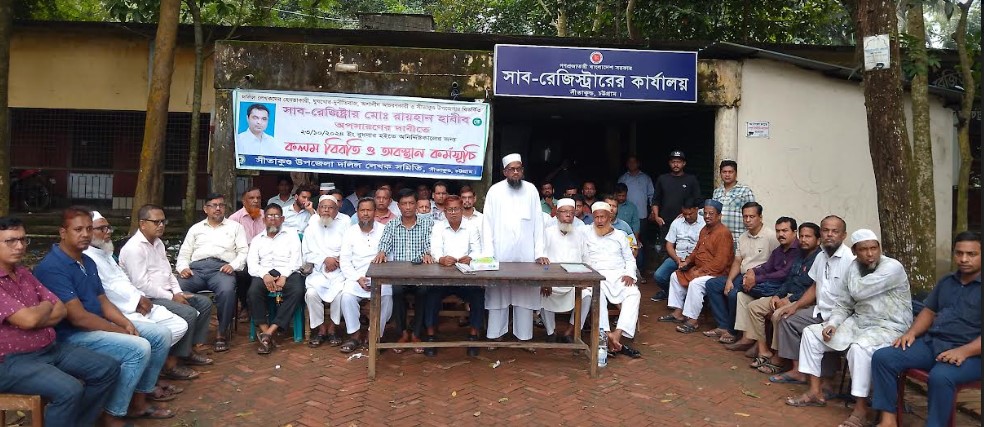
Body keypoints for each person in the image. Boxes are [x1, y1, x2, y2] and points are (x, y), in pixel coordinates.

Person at [35, 207, 175, 425]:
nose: (85, 234)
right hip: (72, 335)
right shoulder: (53, 267)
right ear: (63, 232)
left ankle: (138, 402)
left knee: (160, 335)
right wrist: (120, 331)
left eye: (88, 229)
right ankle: (112, 413)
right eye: (78, 230)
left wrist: (125, 323)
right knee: (138, 348)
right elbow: (79, 318)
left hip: (98, 325)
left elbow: (102, 300)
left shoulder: (87, 261)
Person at [0, 216, 120, 427]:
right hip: (10, 362)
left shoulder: (24, 273)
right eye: (10, 241)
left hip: (49, 349)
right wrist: (44, 307)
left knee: (107, 368)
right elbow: (29, 320)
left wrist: (39, 312)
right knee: (69, 390)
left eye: (23, 240)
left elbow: (61, 309)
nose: (19, 246)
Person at [787, 229, 912, 427]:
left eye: (874, 248)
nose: (870, 254)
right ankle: (814, 392)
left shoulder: (892, 267)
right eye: (864, 249)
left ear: (879, 248)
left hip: (889, 326)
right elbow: (844, 303)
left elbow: (859, 291)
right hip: (860, 322)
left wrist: (852, 272)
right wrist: (833, 323)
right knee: (812, 334)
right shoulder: (854, 267)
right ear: (855, 251)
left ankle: (861, 409)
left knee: (858, 348)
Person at [870, 231, 982, 427]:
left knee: (941, 377)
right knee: (883, 357)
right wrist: (911, 333)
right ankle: (888, 420)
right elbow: (929, 311)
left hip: (972, 355)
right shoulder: (947, 281)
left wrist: (964, 351)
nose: (964, 259)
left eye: (971, 254)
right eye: (959, 253)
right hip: (934, 344)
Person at [117, 205, 216, 378]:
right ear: (142, 224)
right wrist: (171, 296)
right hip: (147, 299)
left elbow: (169, 273)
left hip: (167, 293)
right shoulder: (134, 248)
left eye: (163, 221)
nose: (161, 225)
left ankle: (188, 351)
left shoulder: (158, 243)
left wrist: (178, 292)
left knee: (204, 303)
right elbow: (141, 285)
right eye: (156, 222)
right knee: (188, 312)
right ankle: (170, 364)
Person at [86, 211, 191, 369]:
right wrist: (137, 301)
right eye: (101, 229)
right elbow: (108, 290)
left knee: (179, 325)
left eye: (108, 228)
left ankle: (150, 365)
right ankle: (150, 370)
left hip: (138, 300)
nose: (108, 232)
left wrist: (141, 298)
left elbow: (125, 281)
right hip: (122, 309)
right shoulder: (89, 258)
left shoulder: (106, 253)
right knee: (160, 334)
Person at [767, 215, 855, 386]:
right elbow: (815, 286)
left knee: (825, 333)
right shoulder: (821, 257)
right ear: (821, 234)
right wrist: (795, 306)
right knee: (787, 319)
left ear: (843, 235)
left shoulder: (850, 260)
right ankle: (798, 371)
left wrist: (837, 320)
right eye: (826, 230)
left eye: (835, 231)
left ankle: (828, 380)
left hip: (841, 316)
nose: (829, 234)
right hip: (820, 310)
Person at [481, 153, 546, 346]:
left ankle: (524, 337)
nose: (515, 172)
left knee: (524, 294)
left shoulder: (531, 190)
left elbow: (539, 223)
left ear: (522, 170)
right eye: (512, 169)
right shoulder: (494, 191)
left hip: (526, 255)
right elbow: (487, 224)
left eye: (518, 169)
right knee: (498, 294)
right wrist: (488, 254)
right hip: (500, 253)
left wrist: (540, 253)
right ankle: (495, 335)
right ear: (505, 172)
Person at [741, 222, 822, 375]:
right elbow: (788, 279)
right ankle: (764, 351)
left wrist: (790, 301)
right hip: (786, 295)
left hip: (803, 301)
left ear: (818, 240)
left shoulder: (820, 259)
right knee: (754, 307)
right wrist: (778, 295)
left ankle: (779, 358)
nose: (803, 240)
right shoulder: (799, 255)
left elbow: (812, 289)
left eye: (808, 237)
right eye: (802, 236)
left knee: (779, 315)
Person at [176, 193, 249, 352]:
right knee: (177, 289)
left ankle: (221, 332)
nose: (218, 208)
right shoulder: (195, 229)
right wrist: (183, 268)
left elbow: (244, 251)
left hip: (221, 269)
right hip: (196, 270)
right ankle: (185, 331)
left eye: (221, 205)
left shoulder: (235, 227)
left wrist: (233, 265)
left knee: (227, 291)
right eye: (213, 205)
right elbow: (184, 254)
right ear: (205, 209)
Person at [704, 203, 780, 345]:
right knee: (712, 284)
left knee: (734, 293)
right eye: (745, 217)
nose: (748, 220)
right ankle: (723, 325)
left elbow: (775, 264)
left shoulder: (771, 237)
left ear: (760, 217)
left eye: (752, 216)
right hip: (742, 275)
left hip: (759, 279)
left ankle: (732, 332)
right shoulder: (743, 237)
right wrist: (729, 280)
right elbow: (738, 261)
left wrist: (755, 276)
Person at [373, 188, 436, 353]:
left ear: (416, 205)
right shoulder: (392, 225)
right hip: (399, 274)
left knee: (423, 291)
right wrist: (382, 252)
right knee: (397, 292)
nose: (408, 207)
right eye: (404, 204)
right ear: (398, 206)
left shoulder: (427, 224)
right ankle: (402, 333)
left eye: (411, 203)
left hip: (420, 272)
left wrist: (428, 253)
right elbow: (384, 243)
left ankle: (416, 334)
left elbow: (430, 245)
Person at [660, 199, 733, 334]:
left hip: (717, 273)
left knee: (696, 284)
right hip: (701, 269)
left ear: (719, 216)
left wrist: (700, 272)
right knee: (675, 276)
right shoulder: (704, 229)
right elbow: (697, 250)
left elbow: (720, 263)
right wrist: (687, 262)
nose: (707, 216)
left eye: (711, 214)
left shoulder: (723, 233)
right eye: (705, 213)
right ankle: (678, 312)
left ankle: (693, 321)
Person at [424, 196, 485, 356]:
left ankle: (473, 335)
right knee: (430, 295)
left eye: (456, 209)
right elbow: (435, 250)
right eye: (449, 210)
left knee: (478, 295)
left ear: (461, 210)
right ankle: (430, 337)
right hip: (443, 277)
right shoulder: (438, 227)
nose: (453, 212)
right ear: (444, 212)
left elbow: (477, 250)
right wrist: (441, 259)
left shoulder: (471, 227)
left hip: (466, 277)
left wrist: (471, 258)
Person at [582, 201, 641, 358]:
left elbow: (629, 259)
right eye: (596, 217)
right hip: (596, 276)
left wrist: (630, 274)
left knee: (633, 294)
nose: (599, 221)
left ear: (610, 217)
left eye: (603, 217)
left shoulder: (620, 235)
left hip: (619, 275)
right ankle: (606, 334)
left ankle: (617, 334)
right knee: (597, 294)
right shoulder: (585, 232)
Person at [247, 204, 305, 354]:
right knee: (253, 292)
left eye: (276, 216)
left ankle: (269, 332)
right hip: (264, 273)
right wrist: (264, 275)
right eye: (269, 216)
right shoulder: (257, 240)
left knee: (297, 291)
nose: (273, 219)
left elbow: (296, 261)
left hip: (288, 272)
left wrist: (284, 276)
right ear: (264, 219)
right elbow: (252, 264)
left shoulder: (291, 235)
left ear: (283, 219)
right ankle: (265, 330)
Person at [336, 197, 392, 354]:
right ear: (357, 212)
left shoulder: (385, 230)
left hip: (379, 277)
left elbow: (391, 258)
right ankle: (354, 335)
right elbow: (345, 261)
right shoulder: (350, 232)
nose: (365, 213)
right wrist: (357, 278)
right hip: (357, 277)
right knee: (346, 296)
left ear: (375, 212)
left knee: (387, 296)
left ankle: (374, 334)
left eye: (369, 210)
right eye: (362, 210)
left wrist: (378, 276)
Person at [540, 198, 591, 344]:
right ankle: (551, 332)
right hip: (552, 281)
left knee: (587, 295)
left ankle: (571, 331)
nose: (568, 215)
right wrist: (545, 281)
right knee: (541, 292)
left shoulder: (580, 235)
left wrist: (585, 280)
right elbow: (540, 260)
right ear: (557, 214)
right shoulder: (546, 233)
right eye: (564, 212)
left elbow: (586, 260)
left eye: (571, 212)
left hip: (574, 283)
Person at [302, 195, 349, 347]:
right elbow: (306, 253)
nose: (326, 211)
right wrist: (324, 259)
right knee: (311, 294)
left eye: (330, 208)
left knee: (341, 294)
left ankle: (333, 328)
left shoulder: (345, 223)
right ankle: (321, 329)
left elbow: (350, 247)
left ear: (337, 210)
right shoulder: (311, 226)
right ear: (318, 209)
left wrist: (337, 261)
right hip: (318, 271)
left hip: (340, 271)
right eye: (323, 207)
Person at [650, 198, 704, 302]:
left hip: (696, 259)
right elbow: (669, 245)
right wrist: (677, 259)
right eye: (685, 214)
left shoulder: (704, 223)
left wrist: (689, 260)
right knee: (659, 276)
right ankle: (671, 293)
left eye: (690, 214)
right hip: (678, 257)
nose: (687, 217)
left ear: (697, 209)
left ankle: (684, 297)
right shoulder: (677, 222)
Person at [650, 151, 701, 242]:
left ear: (684, 163)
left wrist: (687, 214)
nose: (676, 164)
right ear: (669, 163)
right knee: (665, 247)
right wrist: (657, 217)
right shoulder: (662, 179)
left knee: (684, 246)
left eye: (678, 162)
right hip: (665, 222)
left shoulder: (691, 179)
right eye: (673, 162)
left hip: (685, 221)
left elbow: (698, 201)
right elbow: (655, 200)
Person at [712, 159, 756, 245]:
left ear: (736, 173)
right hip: (719, 238)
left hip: (738, 238)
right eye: (724, 172)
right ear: (720, 173)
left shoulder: (745, 191)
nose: (727, 175)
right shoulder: (717, 192)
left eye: (730, 172)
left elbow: (753, 214)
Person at [617, 156, 653, 224]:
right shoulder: (622, 178)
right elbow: (617, 196)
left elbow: (652, 195)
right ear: (627, 164)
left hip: (641, 214)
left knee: (641, 230)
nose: (632, 164)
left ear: (638, 164)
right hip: (625, 215)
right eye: (630, 162)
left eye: (634, 162)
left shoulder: (646, 178)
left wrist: (653, 211)